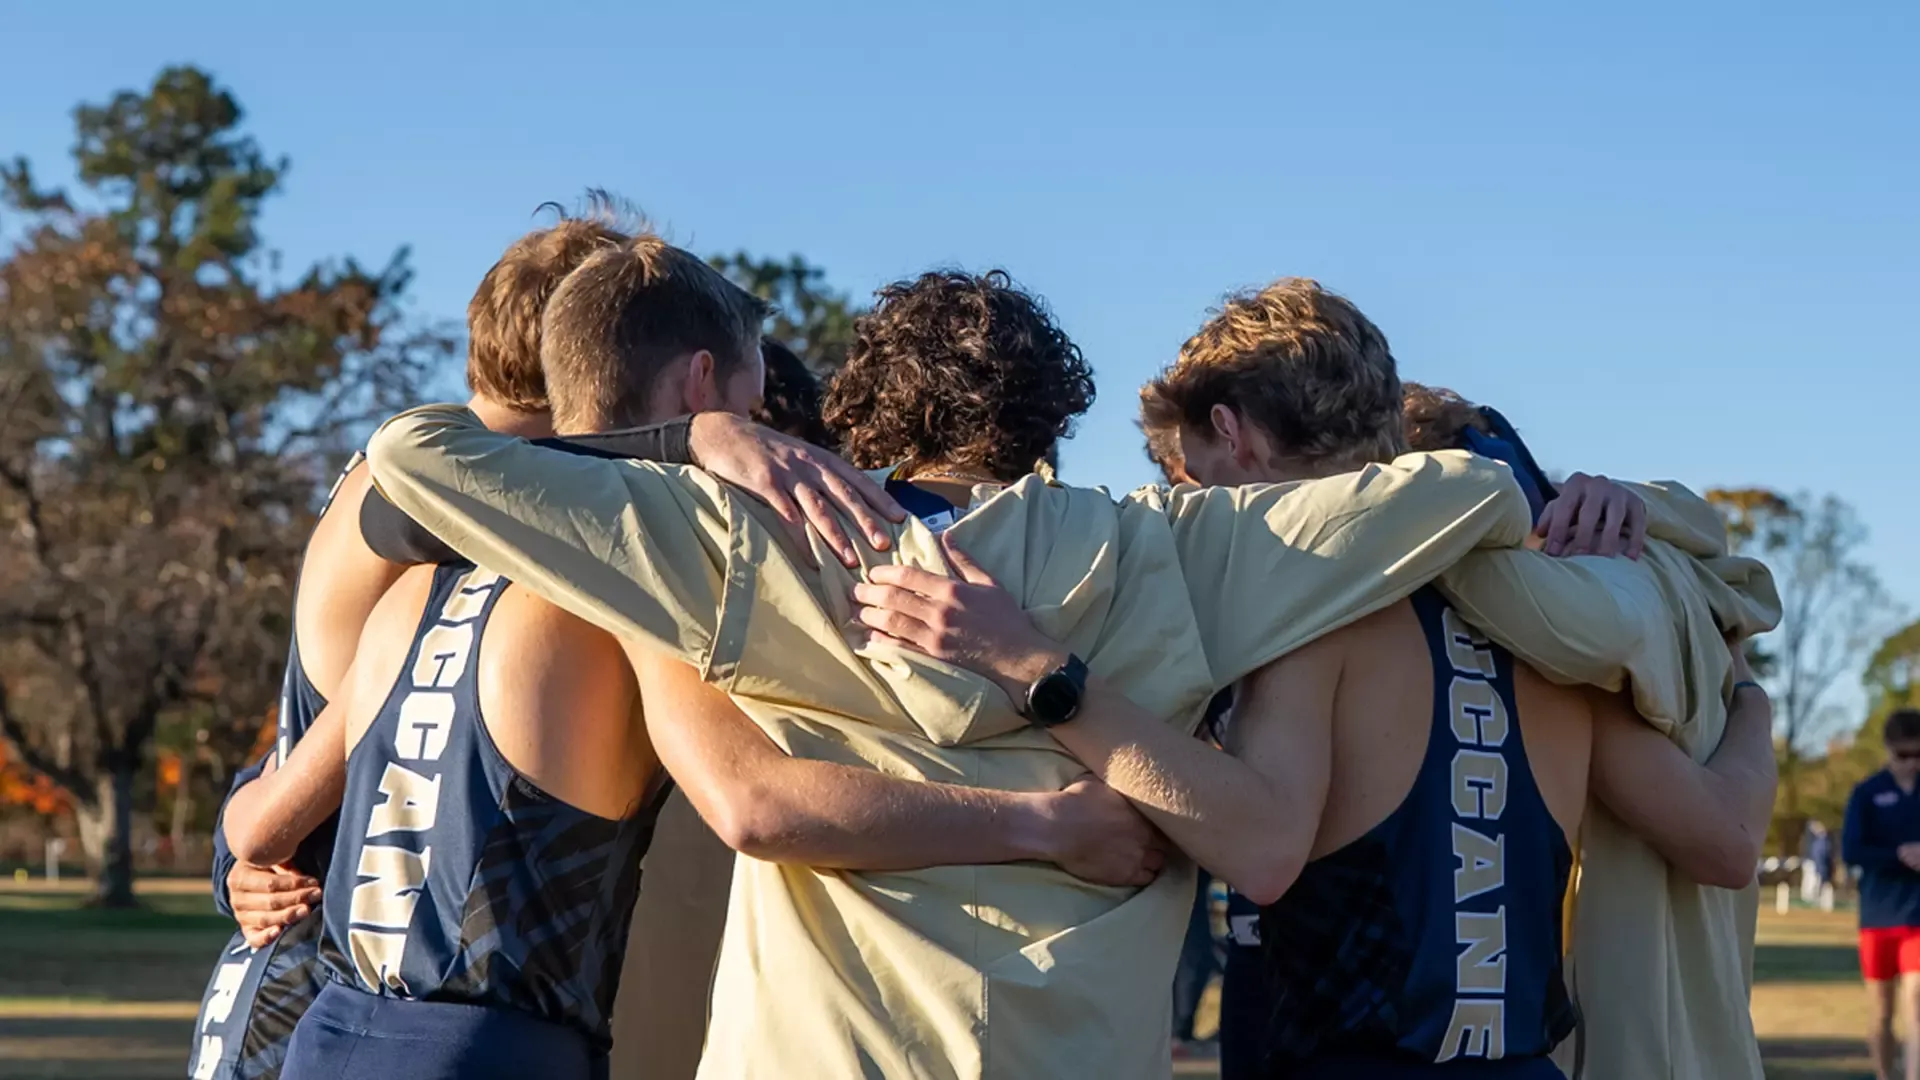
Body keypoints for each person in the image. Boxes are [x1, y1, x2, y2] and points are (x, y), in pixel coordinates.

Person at [363, 258, 1774, 1078]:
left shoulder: (753, 546)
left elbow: (416, 456)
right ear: (1052, 424)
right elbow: (1458, 493)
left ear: (847, 416)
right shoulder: (1182, 554)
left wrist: (697, 447)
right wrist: (1581, 494)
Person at [220, 237, 1159, 1080]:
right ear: (701, 383)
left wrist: (243, 869)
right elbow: (756, 803)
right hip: (492, 1045)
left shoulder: (420, 578)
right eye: (755, 412)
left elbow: (259, 835)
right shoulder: (635, 592)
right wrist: (1047, 825)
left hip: (331, 1031)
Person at [855, 280, 1778, 1078]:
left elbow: (1262, 852)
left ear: (1232, 432)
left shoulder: (1307, 621)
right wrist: (1749, 697)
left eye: (1190, 472)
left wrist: (1037, 673)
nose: (1186, 499)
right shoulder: (1560, 624)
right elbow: (1727, 843)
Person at [1843, 708, 1920, 1080]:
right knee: (1882, 1013)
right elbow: (1852, 850)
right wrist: (1899, 855)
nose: (1911, 764)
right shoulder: (1867, 793)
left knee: (1917, 1003)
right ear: (1888, 750)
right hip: (1877, 916)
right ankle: (1884, 1074)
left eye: (1919, 755)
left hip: (1918, 916)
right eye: (1904, 755)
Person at [1802, 820, 1835, 904]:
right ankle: (1810, 900)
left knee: (1815, 882)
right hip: (1813, 862)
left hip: (1817, 864)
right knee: (1811, 882)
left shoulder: (1822, 840)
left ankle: (1813, 900)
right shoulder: (1815, 840)